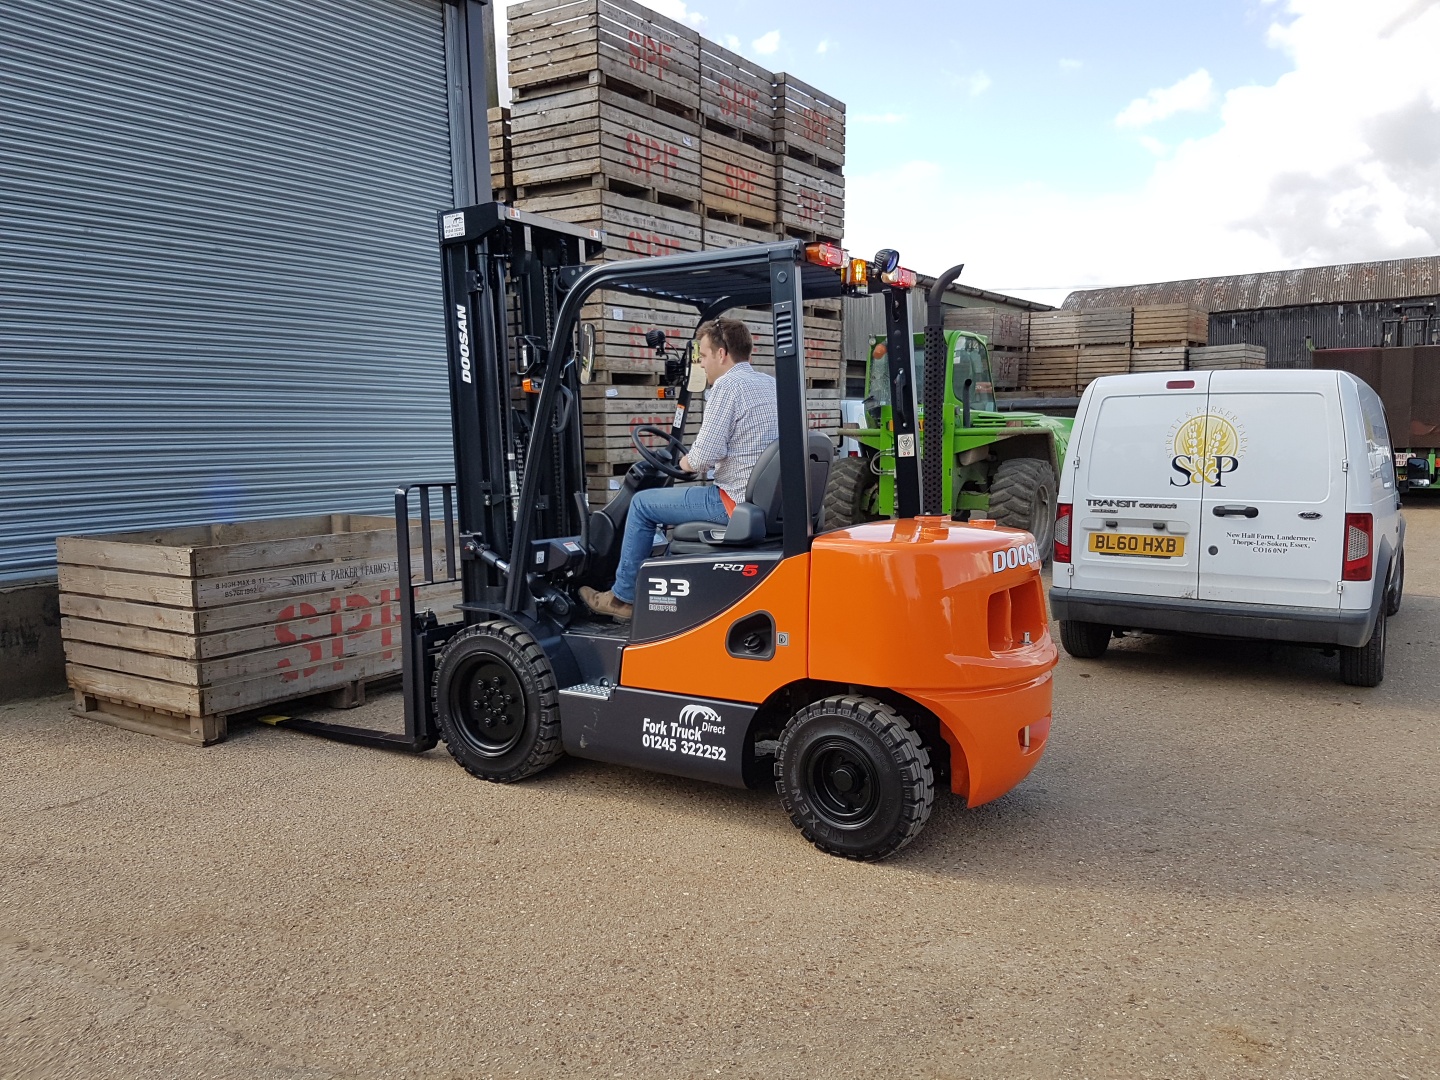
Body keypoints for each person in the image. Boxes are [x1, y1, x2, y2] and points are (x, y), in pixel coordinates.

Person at [579, 317, 777, 620]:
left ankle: (622, 598)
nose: (704, 365)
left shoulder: (728, 387)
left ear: (722, 354)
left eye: (706, 356)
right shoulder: (771, 385)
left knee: (643, 504)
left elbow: (702, 456)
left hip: (732, 501)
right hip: (768, 502)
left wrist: (681, 463)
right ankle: (656, 581)